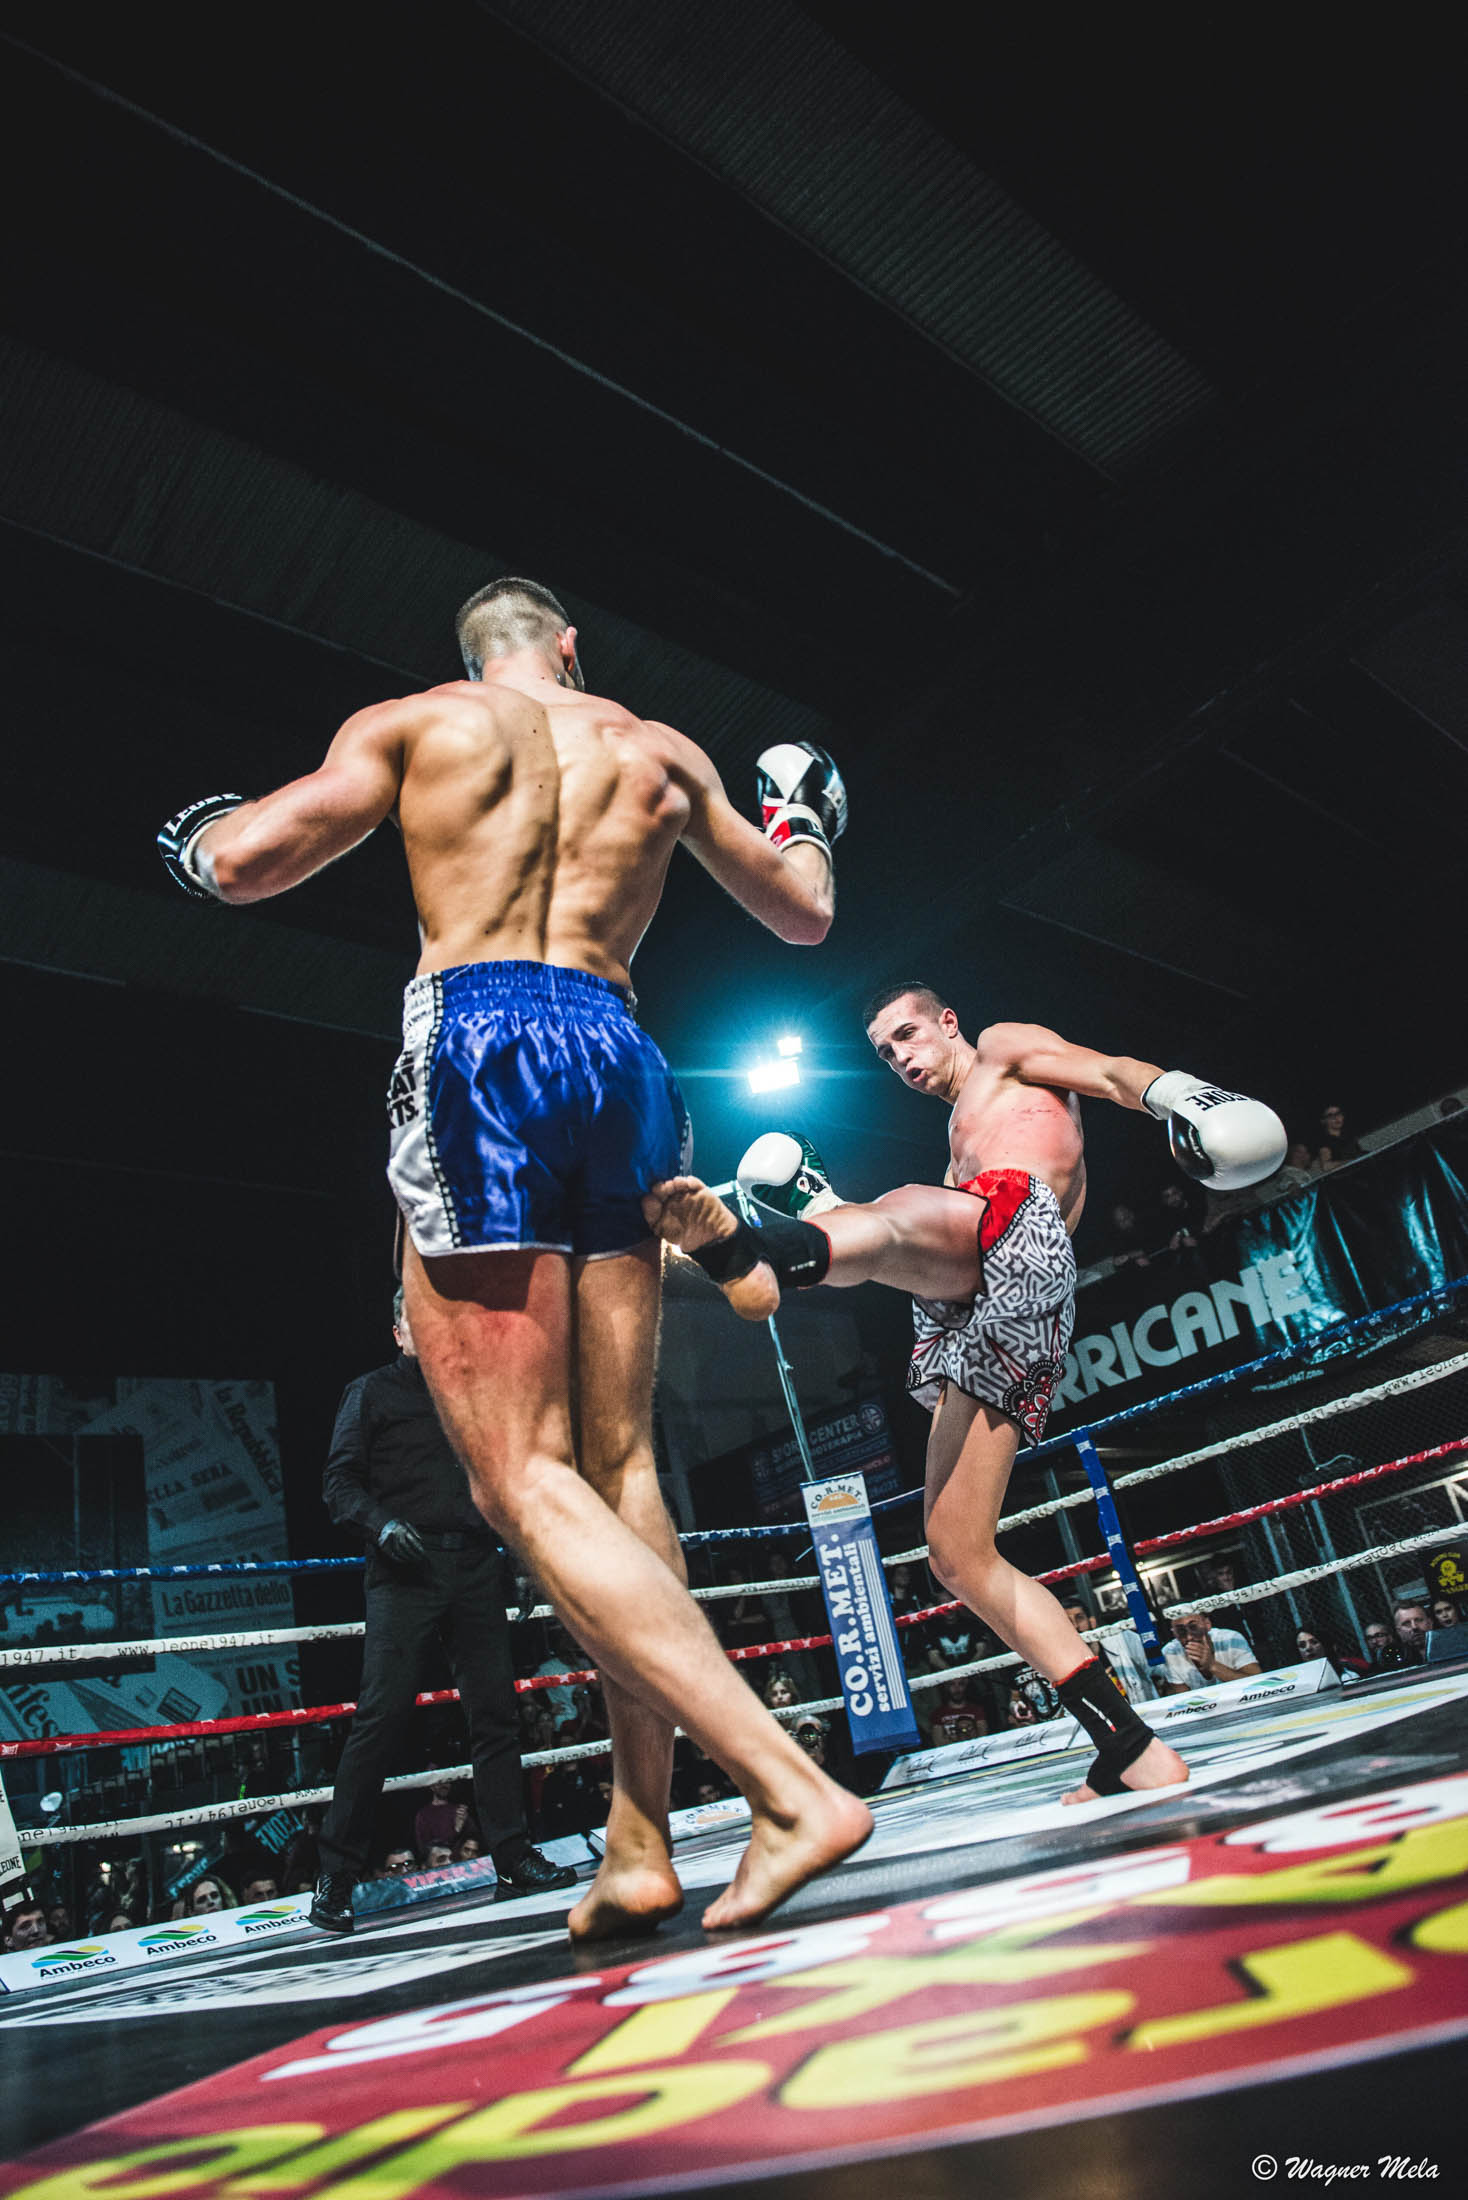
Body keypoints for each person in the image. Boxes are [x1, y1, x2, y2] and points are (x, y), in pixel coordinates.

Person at [158, 574, 870, 1935]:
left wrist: (197, 840)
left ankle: (787, 1789)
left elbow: (247, 863)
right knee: (621, 1467)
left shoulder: (418, 722)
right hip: (620, 1048)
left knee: (518, 1477)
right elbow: (802, 913)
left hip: (480, 1044)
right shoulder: (659, 750)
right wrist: (802, 821)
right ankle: (639, 1841)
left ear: (474, 654)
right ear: (571, 647)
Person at [645, 988, 1282, 1800]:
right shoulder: (958, 1156)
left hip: (1018, 1234)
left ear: (948, 1022)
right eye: (885, 1053)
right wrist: (826, 1206)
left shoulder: (1006, 1049)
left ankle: (757, 1253)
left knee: (902, 1211)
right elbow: (912, 1249)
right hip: (975, 1291)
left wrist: (1188, 1096)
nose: (901, 1058)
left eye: (908, 1034)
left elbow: (1112, 1073)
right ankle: (1129, 1745)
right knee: (956, 1553)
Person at [310, 1290, 574, 1933]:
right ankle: (336, 1875)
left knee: (497, 1715)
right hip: (404, 1569)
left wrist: (521, 1558)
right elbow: (338, 1484)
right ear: (398, 1333)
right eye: (417, 1324)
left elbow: (504, 1482)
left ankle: (511, 1857)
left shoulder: (476, 1394)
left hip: (477, 1564)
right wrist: (381, 1524)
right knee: (381, 1717)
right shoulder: (370, 1393)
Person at [1159, 1611, 1262, 1693]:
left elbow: (1258, 1683)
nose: (1189, 1637)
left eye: (1194, 1627)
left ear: (1207, 1624)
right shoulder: (1170, 1653)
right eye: (1181, 1631)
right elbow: (1183, 1699)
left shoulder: (1230, 1639)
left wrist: (1212, 1665)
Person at [1393, 1600, 1431, 1665]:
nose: (1414, 1627)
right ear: (1399, 1632)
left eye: (1418, 1620)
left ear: (1430, 1623)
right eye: (1407, 1623)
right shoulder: (1397, 1662)